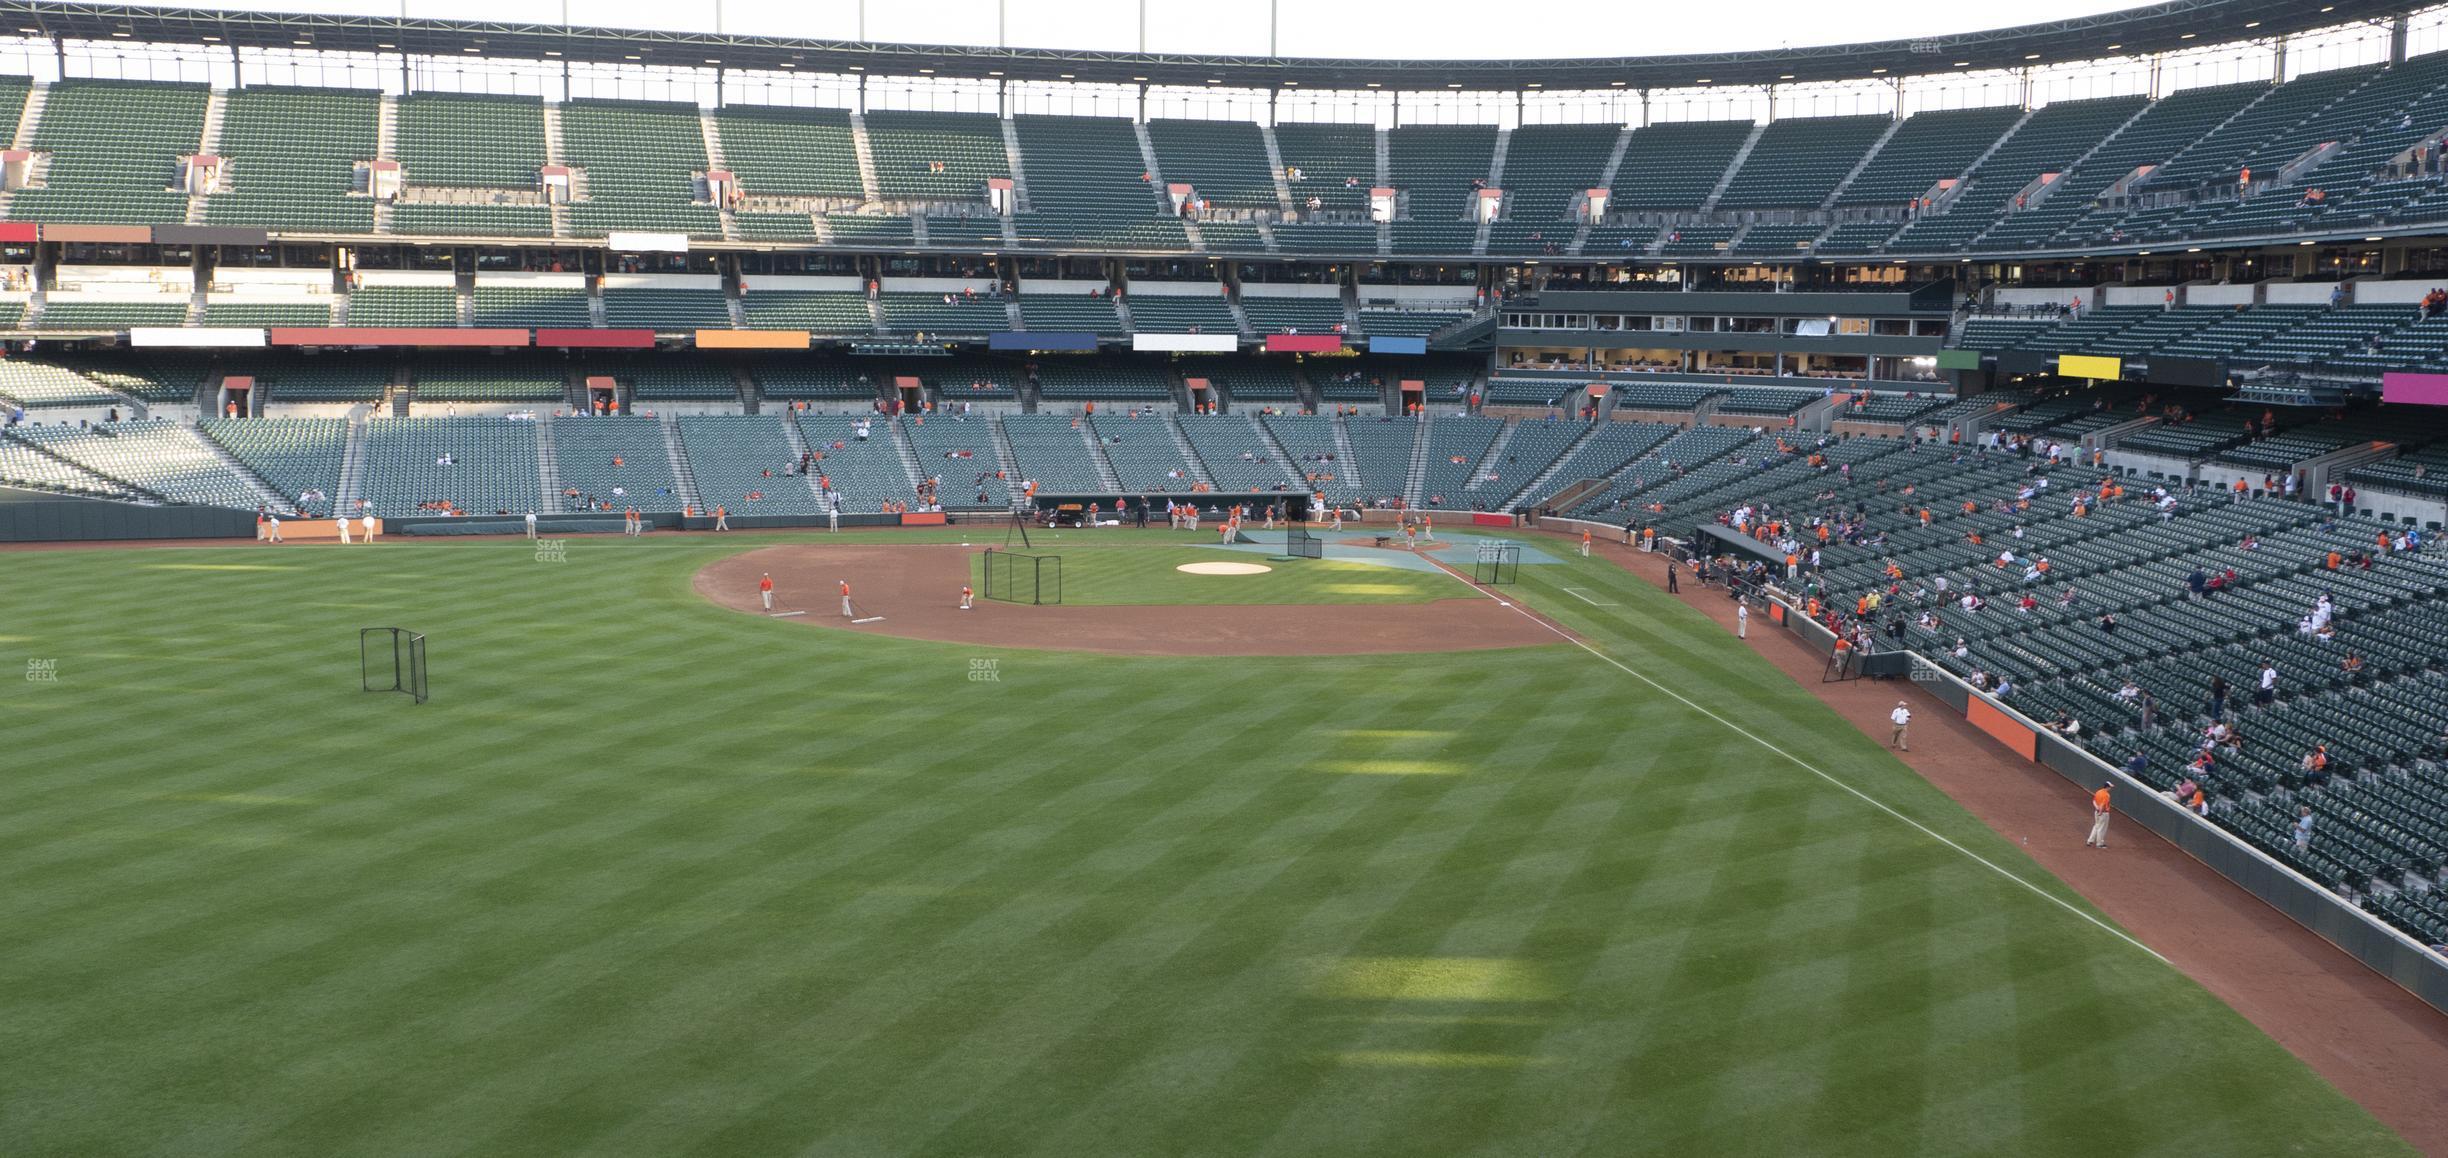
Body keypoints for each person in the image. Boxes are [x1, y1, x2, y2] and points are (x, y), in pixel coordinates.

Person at [2086, 781, 2113, 849]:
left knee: (2096, 826)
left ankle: (2090, 840)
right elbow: (2102, 804)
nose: (2111, 788)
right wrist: (2100, 811)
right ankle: (2099, 844)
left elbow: (2094, 801)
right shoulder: (2106, 795)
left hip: (2096, 811)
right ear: (2107, 787)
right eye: (2110, 787)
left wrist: (2097, 809)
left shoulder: (2098, 792)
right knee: (2102, 828)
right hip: (2103, 813)